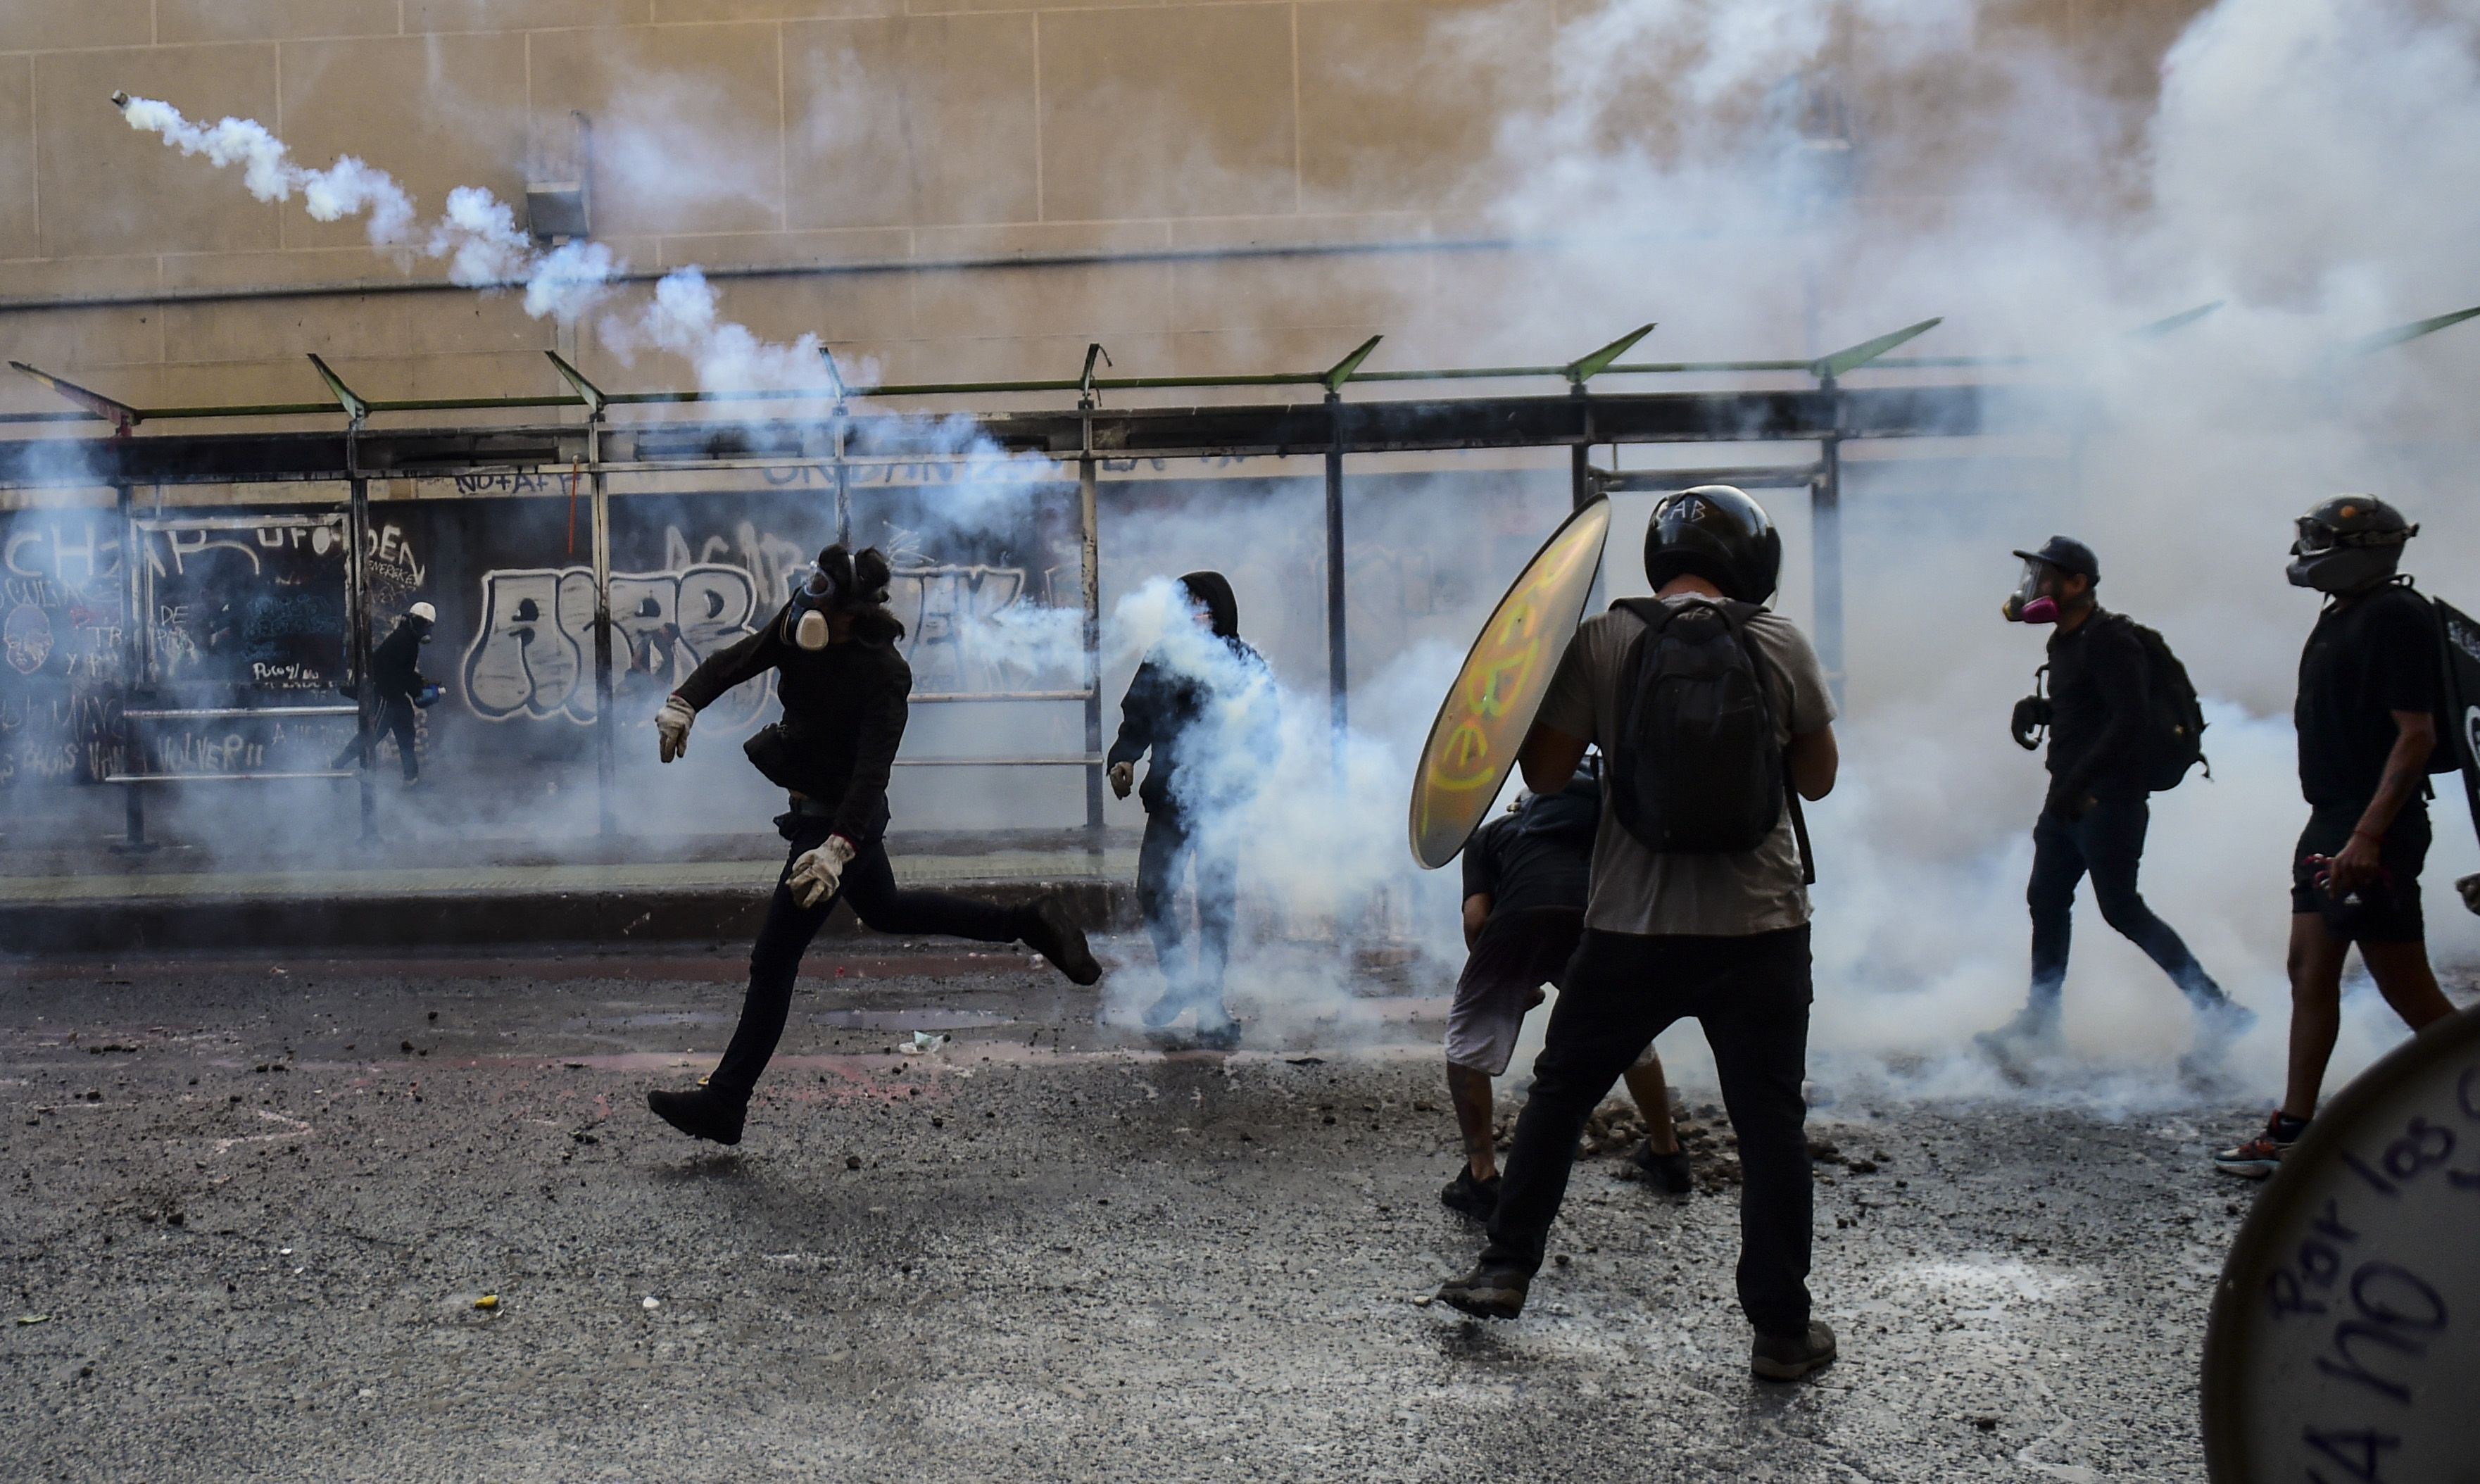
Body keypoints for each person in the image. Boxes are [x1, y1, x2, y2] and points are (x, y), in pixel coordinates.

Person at [1435, 485, 1842, 1384]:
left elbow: (1543, 776)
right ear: (1751, 560)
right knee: (1770, 1122)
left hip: (1630, 922)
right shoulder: (1777, 641)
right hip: (1760, 925)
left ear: (1660, 560)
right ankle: (1780, 1330)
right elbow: (1817, 780)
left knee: (1563, 1089)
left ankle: (1505, 1269)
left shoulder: (1606, 638)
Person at [643, 545, 1102, 1146]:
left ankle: (726, 1102)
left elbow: (871, 774)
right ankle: (1029, 920)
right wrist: (684, 702)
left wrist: (836, 849)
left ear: (856, 613)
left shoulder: (885, 674)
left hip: (839, 822)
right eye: (810, 595)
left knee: (774, 960)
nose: (810, 610)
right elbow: (736, 660)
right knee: (888, 911)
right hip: (817, 810)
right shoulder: (795, 624)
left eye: (826, 604)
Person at [2215, 497, 2458, 1177]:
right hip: (2330, 820)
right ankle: (2292, 1130)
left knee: (2408, 991)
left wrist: (2367, 836)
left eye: (2324, 540)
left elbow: (2416, 738)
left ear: (2365, 549)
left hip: (2369, 828)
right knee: (2307, 971)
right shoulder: (2341, 614)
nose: (2309, 551)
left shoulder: (2394, 617)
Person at [1979, 538, 2251, 1061]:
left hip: (2108, 803)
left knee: (2122, 909)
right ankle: (2040, 1021)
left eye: (2046, 577)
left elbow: (2128, 719)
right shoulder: (2064, 642)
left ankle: (2218, 1011)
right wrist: (2040, 710)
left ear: (2078, 583)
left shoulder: (2110, 640)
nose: (2033, 588)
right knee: (2046, 901)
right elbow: (2089, 712)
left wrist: (2076, 784)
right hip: (2068, 801)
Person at [1442, 765, 1689, 1220]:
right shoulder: (1614, 834)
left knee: (1467, 1046)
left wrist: (1518, 983)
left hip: (1519, 924)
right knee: (1628, 1039)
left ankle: (1480, 1177)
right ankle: (1666, 1151)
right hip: (1598, 927)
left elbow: (1476, 920)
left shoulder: (1492, 835)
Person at [1106, 571, 1269, 1050]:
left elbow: (1268, 728)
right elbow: (1134, 720)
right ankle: (1180, 980)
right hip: (1169, 801)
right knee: (1153, 891)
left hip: (1221, 804)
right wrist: (1122, 761)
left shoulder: (1243, 662)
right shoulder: (1161, 660)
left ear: (1221, 612)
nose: (1197, 614)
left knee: (1215, 904)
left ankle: (1212, 1008)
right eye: (1189, 605)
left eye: (1205, 605)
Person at [334, 600, 436, 784]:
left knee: (406, 733)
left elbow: (403, 672)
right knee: (371, 736)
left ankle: (411, 779)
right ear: (412, 621)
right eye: (422, 624)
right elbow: (394, 673)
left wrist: (420, 683)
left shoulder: (408, 640)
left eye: (427, 626)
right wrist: (418, 689)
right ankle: (338, 766)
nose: (425, 630)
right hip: (384, 695)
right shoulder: (403, 641)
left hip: (396, 696)